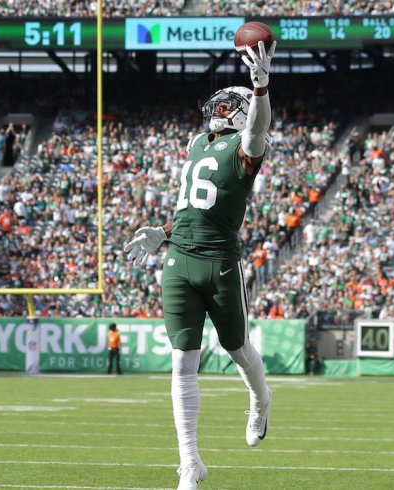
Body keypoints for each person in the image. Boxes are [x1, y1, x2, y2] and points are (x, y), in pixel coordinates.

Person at [123, 41, 276, 489]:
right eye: (221, 102)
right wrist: (162, 233)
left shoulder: (247, 146)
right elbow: (192, 207)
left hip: (220, 261)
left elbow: (256, 131)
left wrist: (261, 87)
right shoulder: (195, 144)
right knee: (181, 362)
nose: (221, 108)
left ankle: (260, 399)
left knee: (237, 347)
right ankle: (190, 463)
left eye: (232, 104)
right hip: (179, 258)